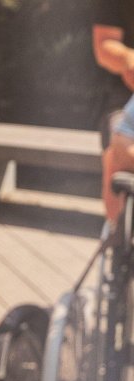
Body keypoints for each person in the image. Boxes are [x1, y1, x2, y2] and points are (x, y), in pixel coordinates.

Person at [94, 0, 134, 220]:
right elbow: (104, 45)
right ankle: (118, 241)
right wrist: (129, 60)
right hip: (125, 96)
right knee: (116, 154)